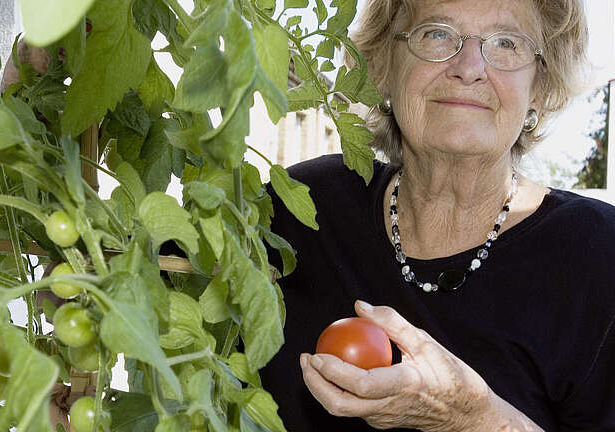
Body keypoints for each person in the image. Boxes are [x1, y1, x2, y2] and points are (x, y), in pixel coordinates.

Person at [259, 0, 615, 431]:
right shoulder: (304, 206)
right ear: (385, 67)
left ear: (538, 85)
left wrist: (472, 418)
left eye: (505, 43)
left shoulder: (598, 255)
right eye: (437, 33)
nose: (469, 67)